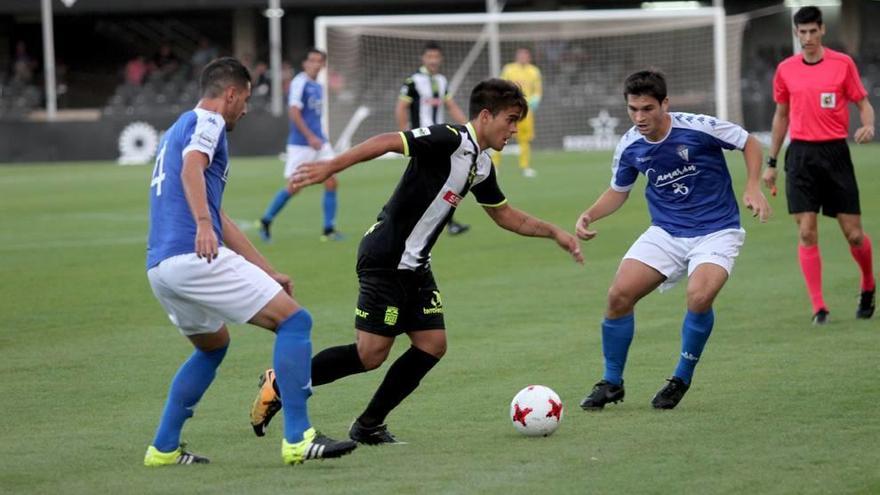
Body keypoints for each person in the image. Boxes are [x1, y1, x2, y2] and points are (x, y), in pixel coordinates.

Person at [249, 78, 583, 444]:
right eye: (511, 119)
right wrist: (330, 167)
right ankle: (280, 382)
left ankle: (369, 424)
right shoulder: (450, 139)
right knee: (370, 354)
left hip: (415, 266)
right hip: (386, 257)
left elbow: (506, 216)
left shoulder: (482, 164)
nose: (515, 129)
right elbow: (386, 141)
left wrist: (555, 233)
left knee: (431, 344)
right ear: (486, 116)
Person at [143, 57, 356, 466]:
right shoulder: (209, 121)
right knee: (295, 321)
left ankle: (164, 448)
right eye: (246, 99)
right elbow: (193, 172)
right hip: (194, 254)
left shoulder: (175, 130)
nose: (246, 109)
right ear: (231, 93)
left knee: (212, 347)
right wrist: (202, 224)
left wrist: (266, 269)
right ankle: (299, 437)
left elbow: (215, 211)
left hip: (161, 267)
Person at [576, 70, 771, 411]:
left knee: (699, 296)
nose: (639, 117)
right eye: (633, 109)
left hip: (716, 230)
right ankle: (611, 382)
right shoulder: (630, 146)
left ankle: (681, 377)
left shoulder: (697, 128)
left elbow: (748, 141)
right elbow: (618, 191)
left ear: (665, 104)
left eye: (647, 109)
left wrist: (752, 184)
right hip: (666, 232)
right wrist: (590, 214)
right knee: (618, 295)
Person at [763, 6, 875, 325]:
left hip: (836, 155)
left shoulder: (843, 64)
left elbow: (863, 103)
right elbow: (781, 115)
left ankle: (868, 283)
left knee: (853, 235)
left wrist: (868, 125)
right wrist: (771, 162)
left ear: (823, 30)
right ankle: (819, 307)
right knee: (807, 232)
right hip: (800, 157)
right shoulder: (785, 69)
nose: (808, 38)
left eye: (814, 31)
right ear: (796, 33)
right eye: (803, 32)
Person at [258, 48, 343, 242]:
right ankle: (266, 220)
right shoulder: (300, 82)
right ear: (305, 63)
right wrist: (310, 136)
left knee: (332, 181)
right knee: (295, 186)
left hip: (319, 143)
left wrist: (319, 137)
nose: (315, 64)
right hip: (302, 144)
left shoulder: (319, 86)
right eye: (311, 60)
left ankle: (328, 229)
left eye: (318, 61)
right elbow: (294, 112)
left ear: (323, 65)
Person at [396, 41, 471, 236]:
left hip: (439, 137)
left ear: (440, 59)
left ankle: (443, 222)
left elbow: (450, 105)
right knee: (435, 180)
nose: (433, 60)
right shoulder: (413, 81)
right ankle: (407, 219)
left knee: (436, 179)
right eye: (430, 57)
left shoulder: (442, 81)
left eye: (436, 57)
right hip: (422, 138)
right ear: (423, 58)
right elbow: (401, 107)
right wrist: (405, 134)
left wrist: (470, 127)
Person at [492, 47, 542, 178]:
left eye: (525, 55)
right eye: (520, 55)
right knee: (500, 136)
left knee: (525, 140)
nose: (523, 57)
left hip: (526, 111)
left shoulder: (534, 71)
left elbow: (537, 91)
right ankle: (495, 167)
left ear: (529, 57)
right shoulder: (509, 69)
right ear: (516, 56)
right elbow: (501, 86)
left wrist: (534, 100)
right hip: (509, 110)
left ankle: (525, 167)